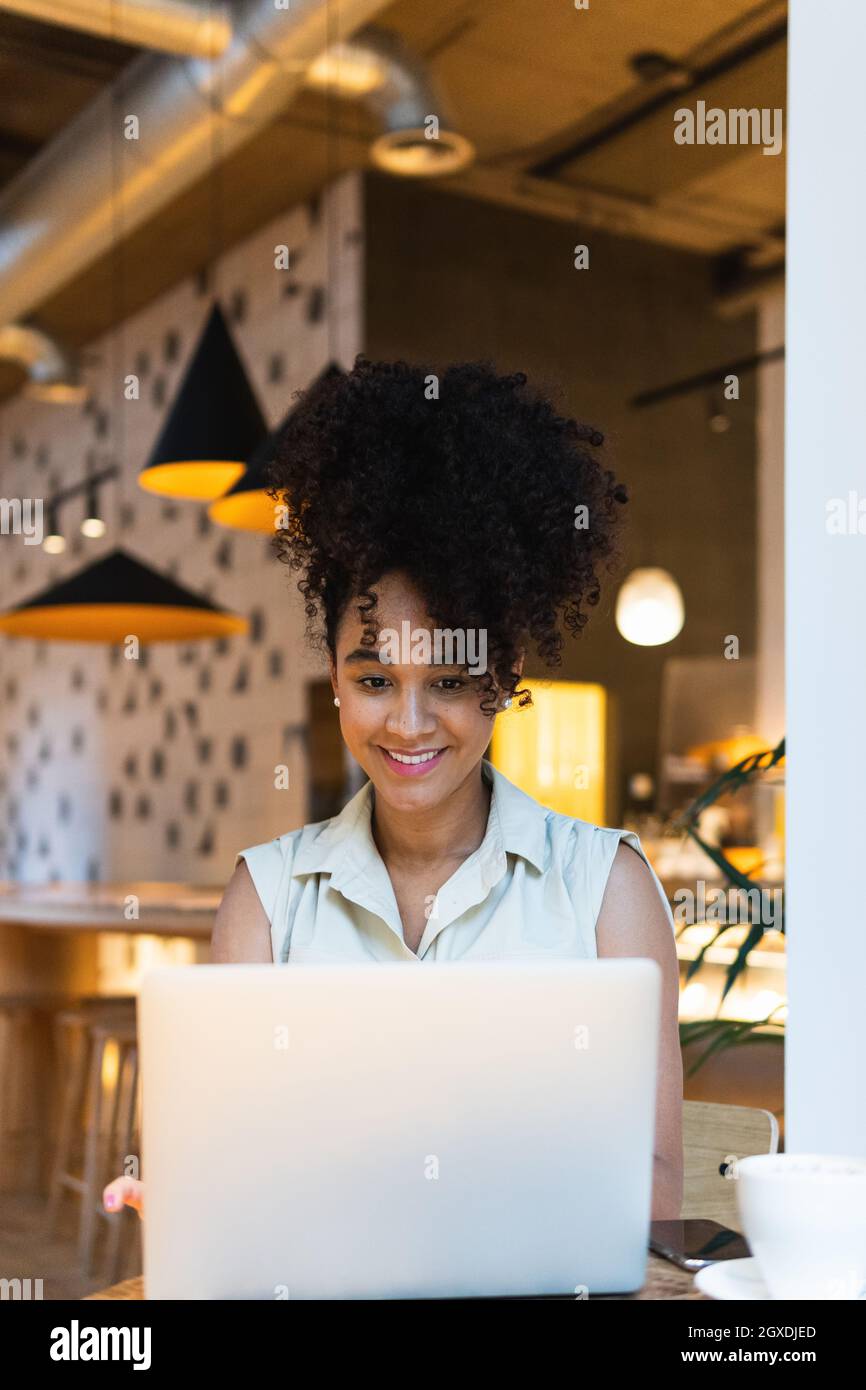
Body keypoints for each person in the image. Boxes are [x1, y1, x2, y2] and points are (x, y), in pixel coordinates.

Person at [104, 357, 683, 1225]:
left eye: (449, 683)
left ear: (506, 674)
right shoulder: (266, 902)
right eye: (375, 680)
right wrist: (199, 1200)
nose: (409, 725)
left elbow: (654, 1187)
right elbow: (238, 1172)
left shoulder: (606, 890)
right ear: (334, 676)